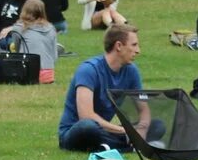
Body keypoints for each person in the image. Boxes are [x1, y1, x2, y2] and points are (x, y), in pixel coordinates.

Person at [58, 24, 143, 152]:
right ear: (119, 46)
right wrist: (123, 131)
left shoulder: (131, 71)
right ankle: (124, 146)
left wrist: (139, 128)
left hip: (105, 131)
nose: (138, 50)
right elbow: (86, 115)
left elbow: (138, 112)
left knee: (158, 126)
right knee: (88, 127)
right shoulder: (89, 70)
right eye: (134, 45)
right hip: (77, 131)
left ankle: (106, 147)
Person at [14, 0, 60, 83]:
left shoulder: (19, 28)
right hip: (48, 74)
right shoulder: (51, 28)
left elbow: (17, 52)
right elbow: (55, 56)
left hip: (28, 73)